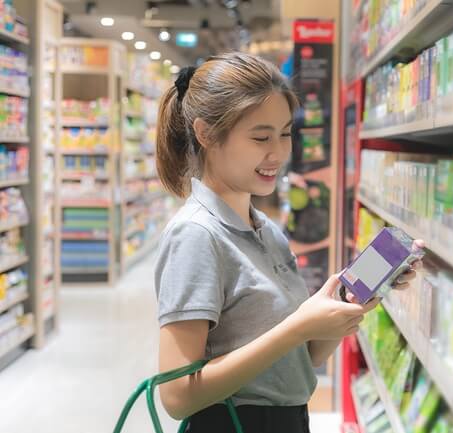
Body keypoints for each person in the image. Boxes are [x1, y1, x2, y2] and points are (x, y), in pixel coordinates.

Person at [154, 52, 423, 433]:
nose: (279, 153)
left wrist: (347, 307)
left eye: (284, 134)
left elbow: (303, 358)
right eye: (261, 137)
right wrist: (298, 326)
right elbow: (178, 397)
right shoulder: (197, 235)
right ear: (206, 134)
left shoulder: (266, 230)